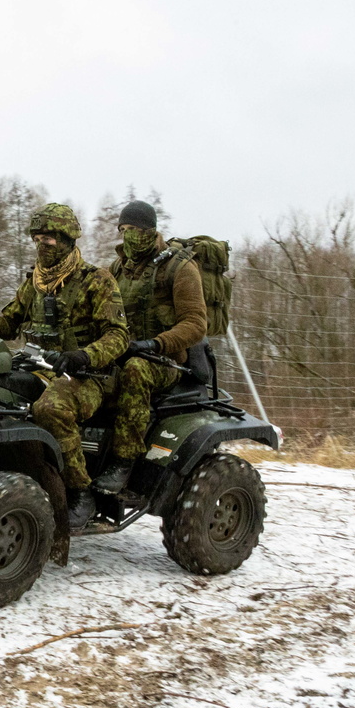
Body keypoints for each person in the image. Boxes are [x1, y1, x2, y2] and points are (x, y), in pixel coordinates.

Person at [0, 203, 128, 530]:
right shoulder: (35, 280)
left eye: (47, 240)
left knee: (51, 409)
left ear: (66, 239)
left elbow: (117, 336)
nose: (40, 246)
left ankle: (80, 492)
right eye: (36, 239)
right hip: (37, 364)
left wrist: (84, 356)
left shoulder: (97, 281)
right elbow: (9, 321)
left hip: (89, 376)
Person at [92, 199, 208, 495]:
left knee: (135, 370)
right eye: (123, 229)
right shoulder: (117, 269)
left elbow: (195, 323)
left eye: (134, 228)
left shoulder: (179, 267)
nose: (128, 234)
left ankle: (124, 461)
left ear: (150, 229)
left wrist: (156, 344)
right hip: (121, 352)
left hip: (165, 362)